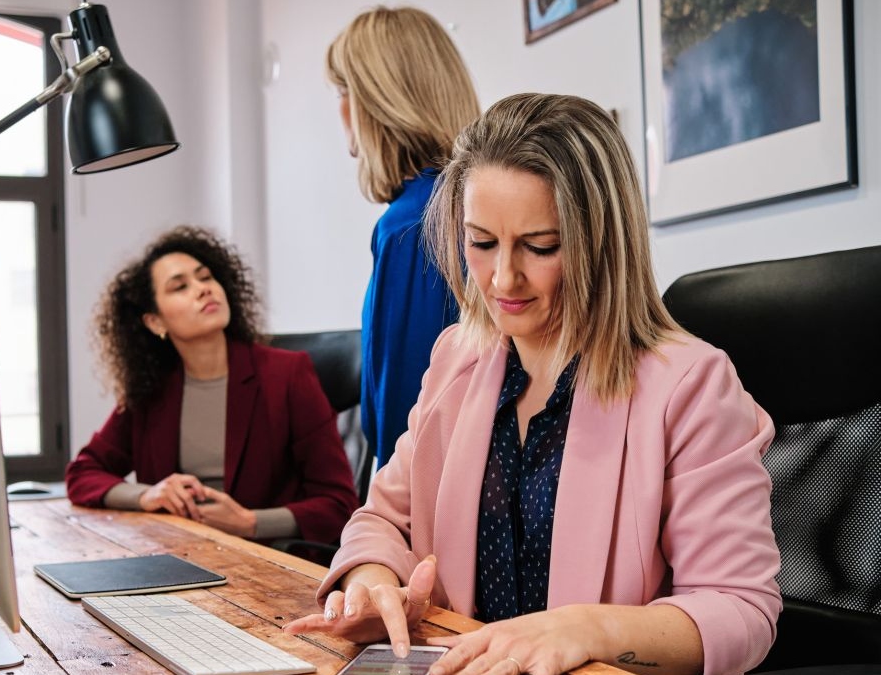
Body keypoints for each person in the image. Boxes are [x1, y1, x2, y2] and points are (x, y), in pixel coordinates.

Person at [285, 94, 781, 675]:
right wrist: (374, 581)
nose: (503, 278)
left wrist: (590, 628)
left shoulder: (691, 385)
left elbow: (741, 608)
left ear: (601, 243)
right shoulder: (456, 361)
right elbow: (383, 519)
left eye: (540, 246)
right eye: (482, 242)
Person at [65, 226, 358, 546]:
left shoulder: (288, 375)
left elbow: (340, 505)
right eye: (180, 287)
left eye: (205, 277)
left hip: (264, 560)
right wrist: (146, 495)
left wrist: (249, 522)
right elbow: (83, 473)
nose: (203, 289)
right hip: (174, 554)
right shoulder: (150, 391)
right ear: (155, 322)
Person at [327, 6, 481, 468]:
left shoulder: (412, 223)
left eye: (342, 90)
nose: (339, 108)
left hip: (427, 507)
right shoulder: (465, 200)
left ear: (378, 101)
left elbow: (404, 421)